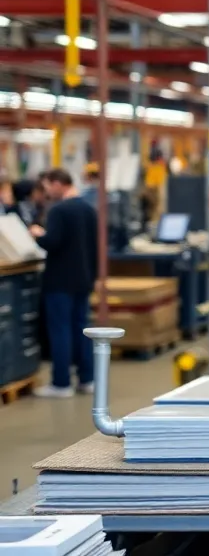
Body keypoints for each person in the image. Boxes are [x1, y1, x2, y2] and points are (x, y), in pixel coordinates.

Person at [28, 168, 98, 398]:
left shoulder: (58, 210)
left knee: (60, 330)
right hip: (83, 279)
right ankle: (87, 379)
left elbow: (53, 242)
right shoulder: (89, 209)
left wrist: (38, 234)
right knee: (82, 329)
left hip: (59, 281)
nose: (47, 192)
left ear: (58, 184)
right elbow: (95, 247)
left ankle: (61, 383)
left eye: (48, 186)